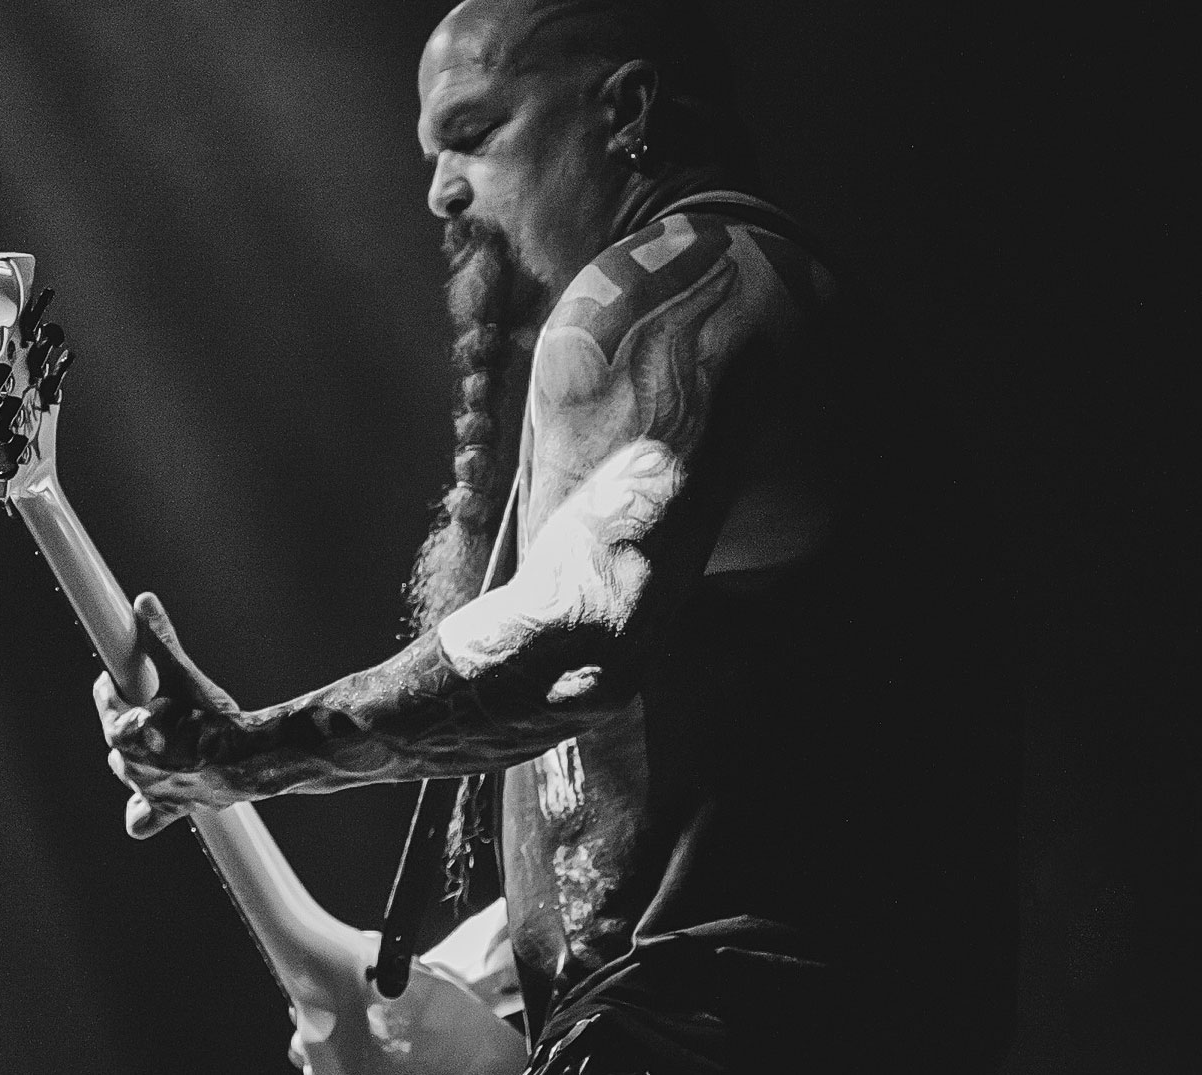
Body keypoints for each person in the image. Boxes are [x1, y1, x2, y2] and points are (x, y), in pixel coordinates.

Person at [95, 1, 1017, 1071]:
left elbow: (568, 650)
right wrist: (460, 982)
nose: (440, 190)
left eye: (473, 134)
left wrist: (249, 753)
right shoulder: (752, 301)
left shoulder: (668, 287)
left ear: (627, 110)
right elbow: (711, 799)